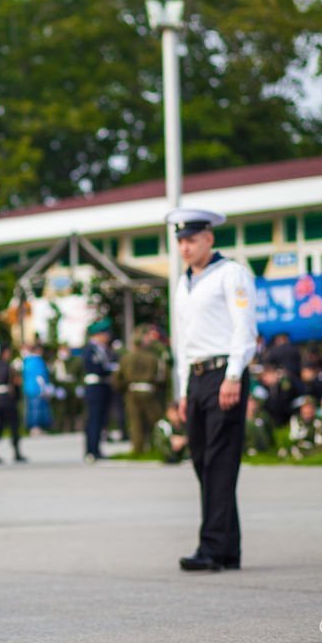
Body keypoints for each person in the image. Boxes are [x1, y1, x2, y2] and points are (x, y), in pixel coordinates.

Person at [167, 207, 257, 572]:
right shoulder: (183, 282)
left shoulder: (231, 273)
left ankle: (212, 547)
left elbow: (244, 329)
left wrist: (234, 375)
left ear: (209, 238)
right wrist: (185, 390)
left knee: (220, 461)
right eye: (180, 241)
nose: (185, 248)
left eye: (191, 239)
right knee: (204, 461)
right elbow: (183, 343)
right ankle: (229, 549)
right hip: (198, 377)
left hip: (225, 374)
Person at [114, 326, 166, 455]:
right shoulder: (153, 358)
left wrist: (122, 389)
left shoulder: (126, 358)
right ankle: (156, 445)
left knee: (135, 422)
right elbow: (160, 376)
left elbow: (117, 377)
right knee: (154, 420)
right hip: (148, 390)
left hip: (132, 391)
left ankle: (138, 448)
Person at [81, 319, 118, 462]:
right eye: (105, 333)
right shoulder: (90, 349)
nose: (107, 336)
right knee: (94, 419)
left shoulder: (103, 349)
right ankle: (91, 450)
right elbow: (96, 367)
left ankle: (97, 448)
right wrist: (110, 369)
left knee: (102, 419)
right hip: (94, 386)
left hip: (103, 385)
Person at [0, 345, 25, 463]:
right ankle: (17, 452)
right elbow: (14, 382)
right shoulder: (9, 367)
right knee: (14, 425)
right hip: (8, 399)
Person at [21, 343, 52, 433]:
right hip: (37, 388)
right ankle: (36, 427)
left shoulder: (26, 361)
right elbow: (40, 376)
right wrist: (44, 388)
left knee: (30, 408)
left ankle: (32, 427)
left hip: (28, 388)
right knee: (37, 408)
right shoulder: (38, 361)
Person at [243, 390, 274, 457]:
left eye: (253, 402)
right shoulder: (239, 417)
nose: (251, 404)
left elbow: (270, 432)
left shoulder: (263, 416)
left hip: (263, 448)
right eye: (249, 401)